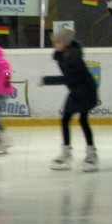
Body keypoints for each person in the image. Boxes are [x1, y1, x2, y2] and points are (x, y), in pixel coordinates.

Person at [40, 27, 99, 172]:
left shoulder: (75, 58)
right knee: (65, 119)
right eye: (54, 41)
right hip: (75, 91)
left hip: (86, 91)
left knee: (83, 120)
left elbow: (70, 78)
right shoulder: (61, 55)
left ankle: (92, 154)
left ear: (65, 42)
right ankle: (66, 153)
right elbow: (70, 80)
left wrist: (47, 80)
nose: (55, 44)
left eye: (58, 41)